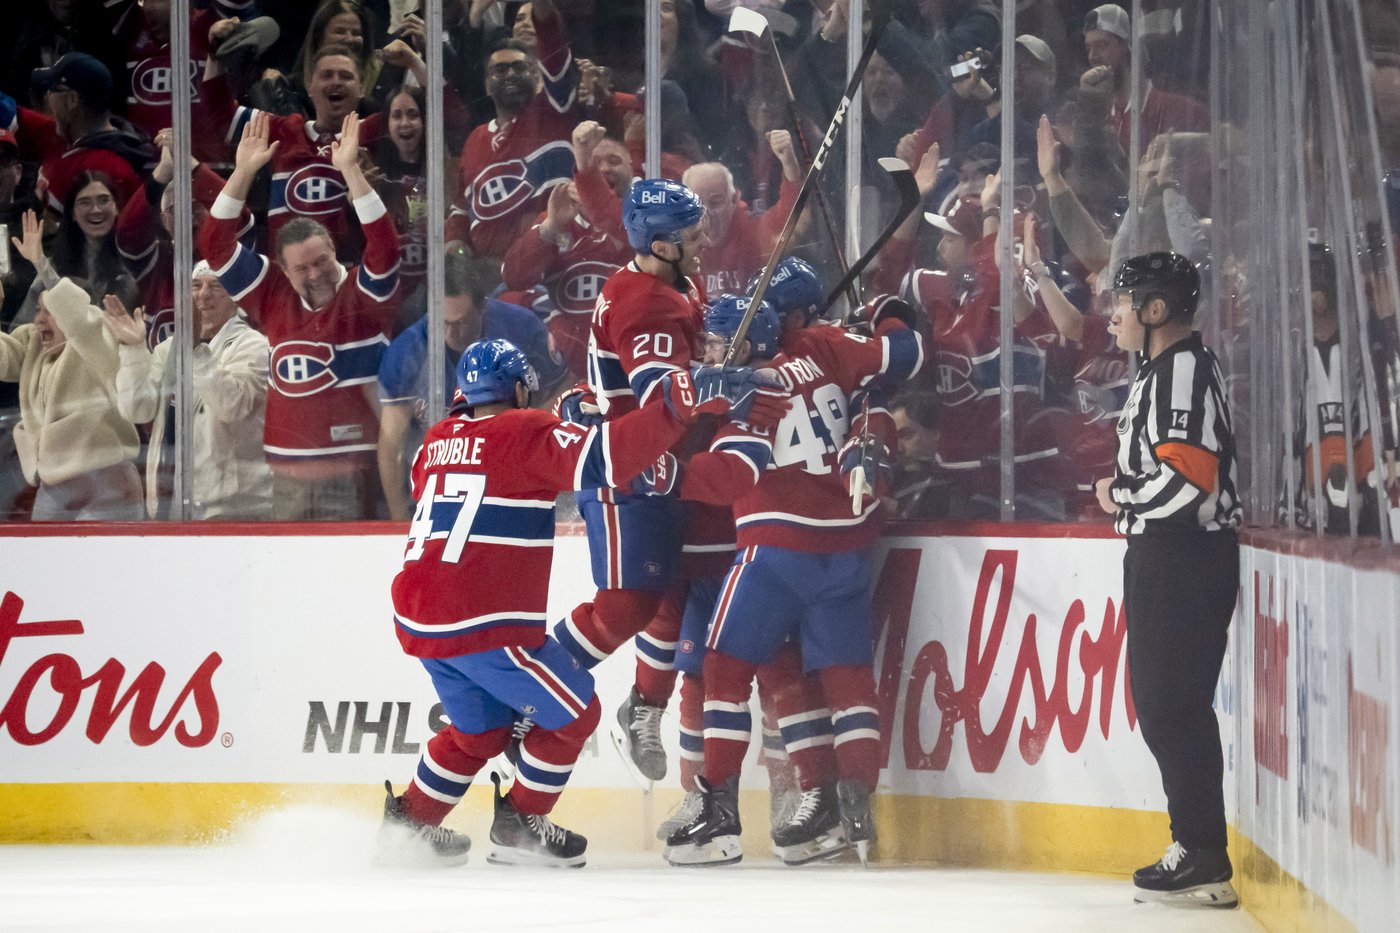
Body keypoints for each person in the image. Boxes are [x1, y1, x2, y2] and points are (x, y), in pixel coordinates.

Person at [376, 336, 783, 868]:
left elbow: (500, 466)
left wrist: (576, 423)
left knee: (481, 730)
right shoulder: (524, 430)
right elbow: (604, 460)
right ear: (520, 388)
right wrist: (678, 400)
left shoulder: (434, 442)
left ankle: (408, 825)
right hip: (482, 623)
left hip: (419, 620)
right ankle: (520, 824)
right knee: (575, 711)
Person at [664, 293, 924, 867]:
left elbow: (731, 471)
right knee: (846, 679)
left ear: (746, 343)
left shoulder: (748, 390)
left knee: (723, 669)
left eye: (715, 340)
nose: (707, 351)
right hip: (850, 547)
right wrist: (885, 309)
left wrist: (665, 472)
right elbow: (899, 359)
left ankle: (719, 812)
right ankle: (851, 810)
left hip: (777, 550)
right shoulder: (825, 347)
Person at [1093, 252, 1241, 909]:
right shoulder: (1165, 372)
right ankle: (1197, 844)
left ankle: (1203, 850)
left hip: (1183, 555)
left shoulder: (1181, 372)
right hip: (1169, 555)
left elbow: (1189, 483)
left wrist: (1119, 495)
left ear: (1155, 311)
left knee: (1171, 705)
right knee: (1166, 704)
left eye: (1123, 302)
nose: (1113, 315)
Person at [198, 110, 400, 521]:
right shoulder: (272, 293)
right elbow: (215, 244)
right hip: (286, 477)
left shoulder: (364, 294)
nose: (314, 275)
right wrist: (242, 172)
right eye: (302, 269)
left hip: (352, 476)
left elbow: (384, 245)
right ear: (283, 272)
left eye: (321, 262)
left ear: (333, 251)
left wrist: (350, 172)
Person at [376, 253, 566, 522]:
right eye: (443, 322)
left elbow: (565, 388)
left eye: (462, 322)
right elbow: (391, 444)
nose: (452, 333)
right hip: (446, 485)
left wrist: (528, 432)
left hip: (519, 474)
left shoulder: (521, 328)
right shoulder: (405, 352)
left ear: (482, 307)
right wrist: (398, 518)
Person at [103, 261, 271, 520]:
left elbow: (232, 406)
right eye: (196, 286)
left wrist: (195, 351)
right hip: (171, 501)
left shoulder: (253, 345)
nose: (203, 294)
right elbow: (136, 410)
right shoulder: (168, 348)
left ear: (237, 298)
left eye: (217, 286)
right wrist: (133, 348)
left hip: (233, 508)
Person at [445, 0, 581, 260]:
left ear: (536, 75)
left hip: (549, 267)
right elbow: (461, 208)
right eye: (499, 70)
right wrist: (455, 245)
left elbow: (551, 35)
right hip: (484, 274)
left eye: (520, 68)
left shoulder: (555, 110)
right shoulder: (476, 139)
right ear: (486, 85)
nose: (509, 75)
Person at [0, 277, 142, 520]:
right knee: (44, 557)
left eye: (51, 311)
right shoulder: (34, 345)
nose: (39, 320)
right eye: (38, 311)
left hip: (107, 483)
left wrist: (41, 263)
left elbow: (81, 321)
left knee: (98, 558)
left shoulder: (97, 344)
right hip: (55, 485)